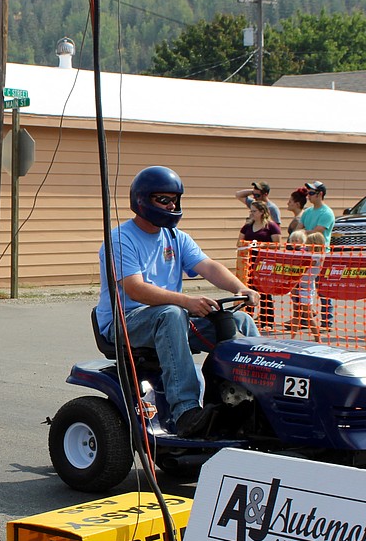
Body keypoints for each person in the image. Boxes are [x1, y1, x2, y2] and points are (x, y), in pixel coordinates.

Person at [95, 166, 259, 439]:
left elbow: (208, 266)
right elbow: (136, 290)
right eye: (164, 200)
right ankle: (185, 412)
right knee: (171, 313)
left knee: (238, 320)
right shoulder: (120, 239)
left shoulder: (175, 237)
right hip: (125, 321)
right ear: (142, 201)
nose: (172, 205)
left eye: (175, 200)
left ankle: (248, 400)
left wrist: (241, 287)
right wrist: (187, 301)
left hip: (170, 318)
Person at [239, 200, 281, 329]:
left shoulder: (271, 226)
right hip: (250, 263)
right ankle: (248, 318)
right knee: (250, 290)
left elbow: (277, 245)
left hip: (264, 263)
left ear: (262, 212)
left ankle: (267, 321)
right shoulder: (247, 226)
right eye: (251, 211)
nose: (251, 213)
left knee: (265, 291)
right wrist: (247, 245)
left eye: (254, 211)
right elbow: (240, 242)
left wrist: (262, 245)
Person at [301, 181, 336, 329]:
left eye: (311, 193)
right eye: (308, 193)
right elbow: (299, 227)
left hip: (322, 255)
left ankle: (327, 319)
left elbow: (317, 230)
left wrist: (301, 233)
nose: (308, 196)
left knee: (323, 288)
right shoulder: (307, 212)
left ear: (320, 194)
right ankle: (305, 317)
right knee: (304, 286)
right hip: (306, 254)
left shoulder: (326, 213)